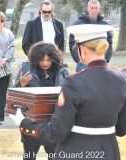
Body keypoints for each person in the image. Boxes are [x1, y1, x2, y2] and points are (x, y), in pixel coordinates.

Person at [10, 24, 126, 160]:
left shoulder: (74, 82)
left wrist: (24, 123)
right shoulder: (122, 79)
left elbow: (57, 132)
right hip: (109, 152)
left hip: (76, 150)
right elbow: (121, 129)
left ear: (82, 49)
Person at [13, 41, 69, 160]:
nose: (45, 63)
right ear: (35, 58)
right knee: (29, 154)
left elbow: (71, 93)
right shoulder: (26, 69)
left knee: (54, 155)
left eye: (48, 60)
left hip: (53, 121)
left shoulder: (63, 71)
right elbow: (13, 94)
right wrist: (21, 84)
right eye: (42, 59)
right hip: (31, 121)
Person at [69, 0, 113, 72]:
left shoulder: (104, 24)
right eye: (92, 8)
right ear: (88, 8)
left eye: (96, 8)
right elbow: (72, 42)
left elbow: (109, 42)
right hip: (83, 62)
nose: (94, 10)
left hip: (100, 60)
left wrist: (107, 58)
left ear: (99, 9)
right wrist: (77, 59)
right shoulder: (78, 23)